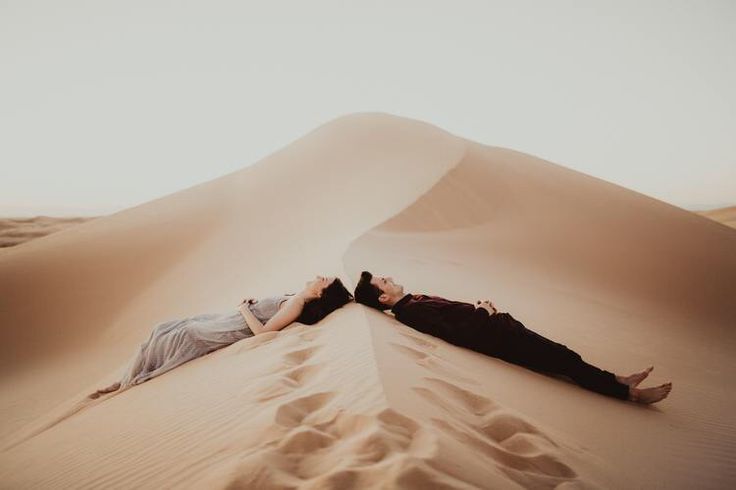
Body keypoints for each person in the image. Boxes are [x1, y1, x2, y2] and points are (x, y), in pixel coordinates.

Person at [354, 271, 672, 404]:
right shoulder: (411, 311)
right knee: (564, 361)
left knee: (565, 356)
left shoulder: (412, 302)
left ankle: (619, 379)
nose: (389, 278)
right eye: (384, 281)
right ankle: (630, 395)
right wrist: (481, 311)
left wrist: (485, 310)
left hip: (502, 329)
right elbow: (455, 335)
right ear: (382, 298)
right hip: (501, 340)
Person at [89, 276, 353, 398]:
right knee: (162, 329)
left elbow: (263, 333)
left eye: (324, 281)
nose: (319, 277)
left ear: (320, 293)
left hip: (231, 328)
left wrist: (243, 310)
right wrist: (252, 305)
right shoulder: (294, 297)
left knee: (183, 335)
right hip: (228, 319)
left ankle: (131, 381)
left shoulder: (296, 303)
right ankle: (126, 377)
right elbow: (265, 314)